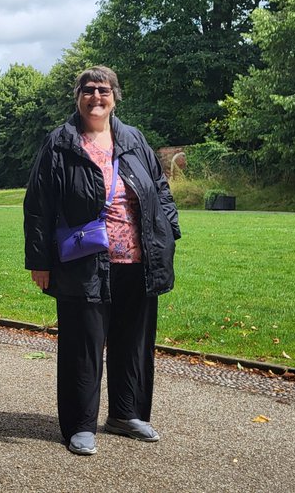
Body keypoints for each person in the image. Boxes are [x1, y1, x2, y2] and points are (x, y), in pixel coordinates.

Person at [23, 66, 181, 456]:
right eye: (88, 90)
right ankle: (80, 425)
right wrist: (39, 261)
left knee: (134, 341)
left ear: (115, 96)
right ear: (77, 96)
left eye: (104, 90)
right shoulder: (60, 143)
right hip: (84, 261)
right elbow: (38, 206)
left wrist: (170, 229)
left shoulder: (133, 139)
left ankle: (126, 414)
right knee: (83, 343)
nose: (97, 97)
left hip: (138, 259)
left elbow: (159, 187)